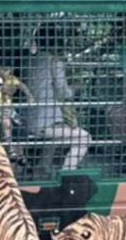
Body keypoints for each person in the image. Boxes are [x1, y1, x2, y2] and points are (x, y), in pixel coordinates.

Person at [23, 23, 92, 172]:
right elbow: (64, 92)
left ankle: (42, 169)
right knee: (84, 137)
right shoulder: (54, 62)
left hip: (27, 120)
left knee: (55, 136)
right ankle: (67, 173)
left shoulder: (28, 61)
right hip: (45, 123)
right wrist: (77, 87)